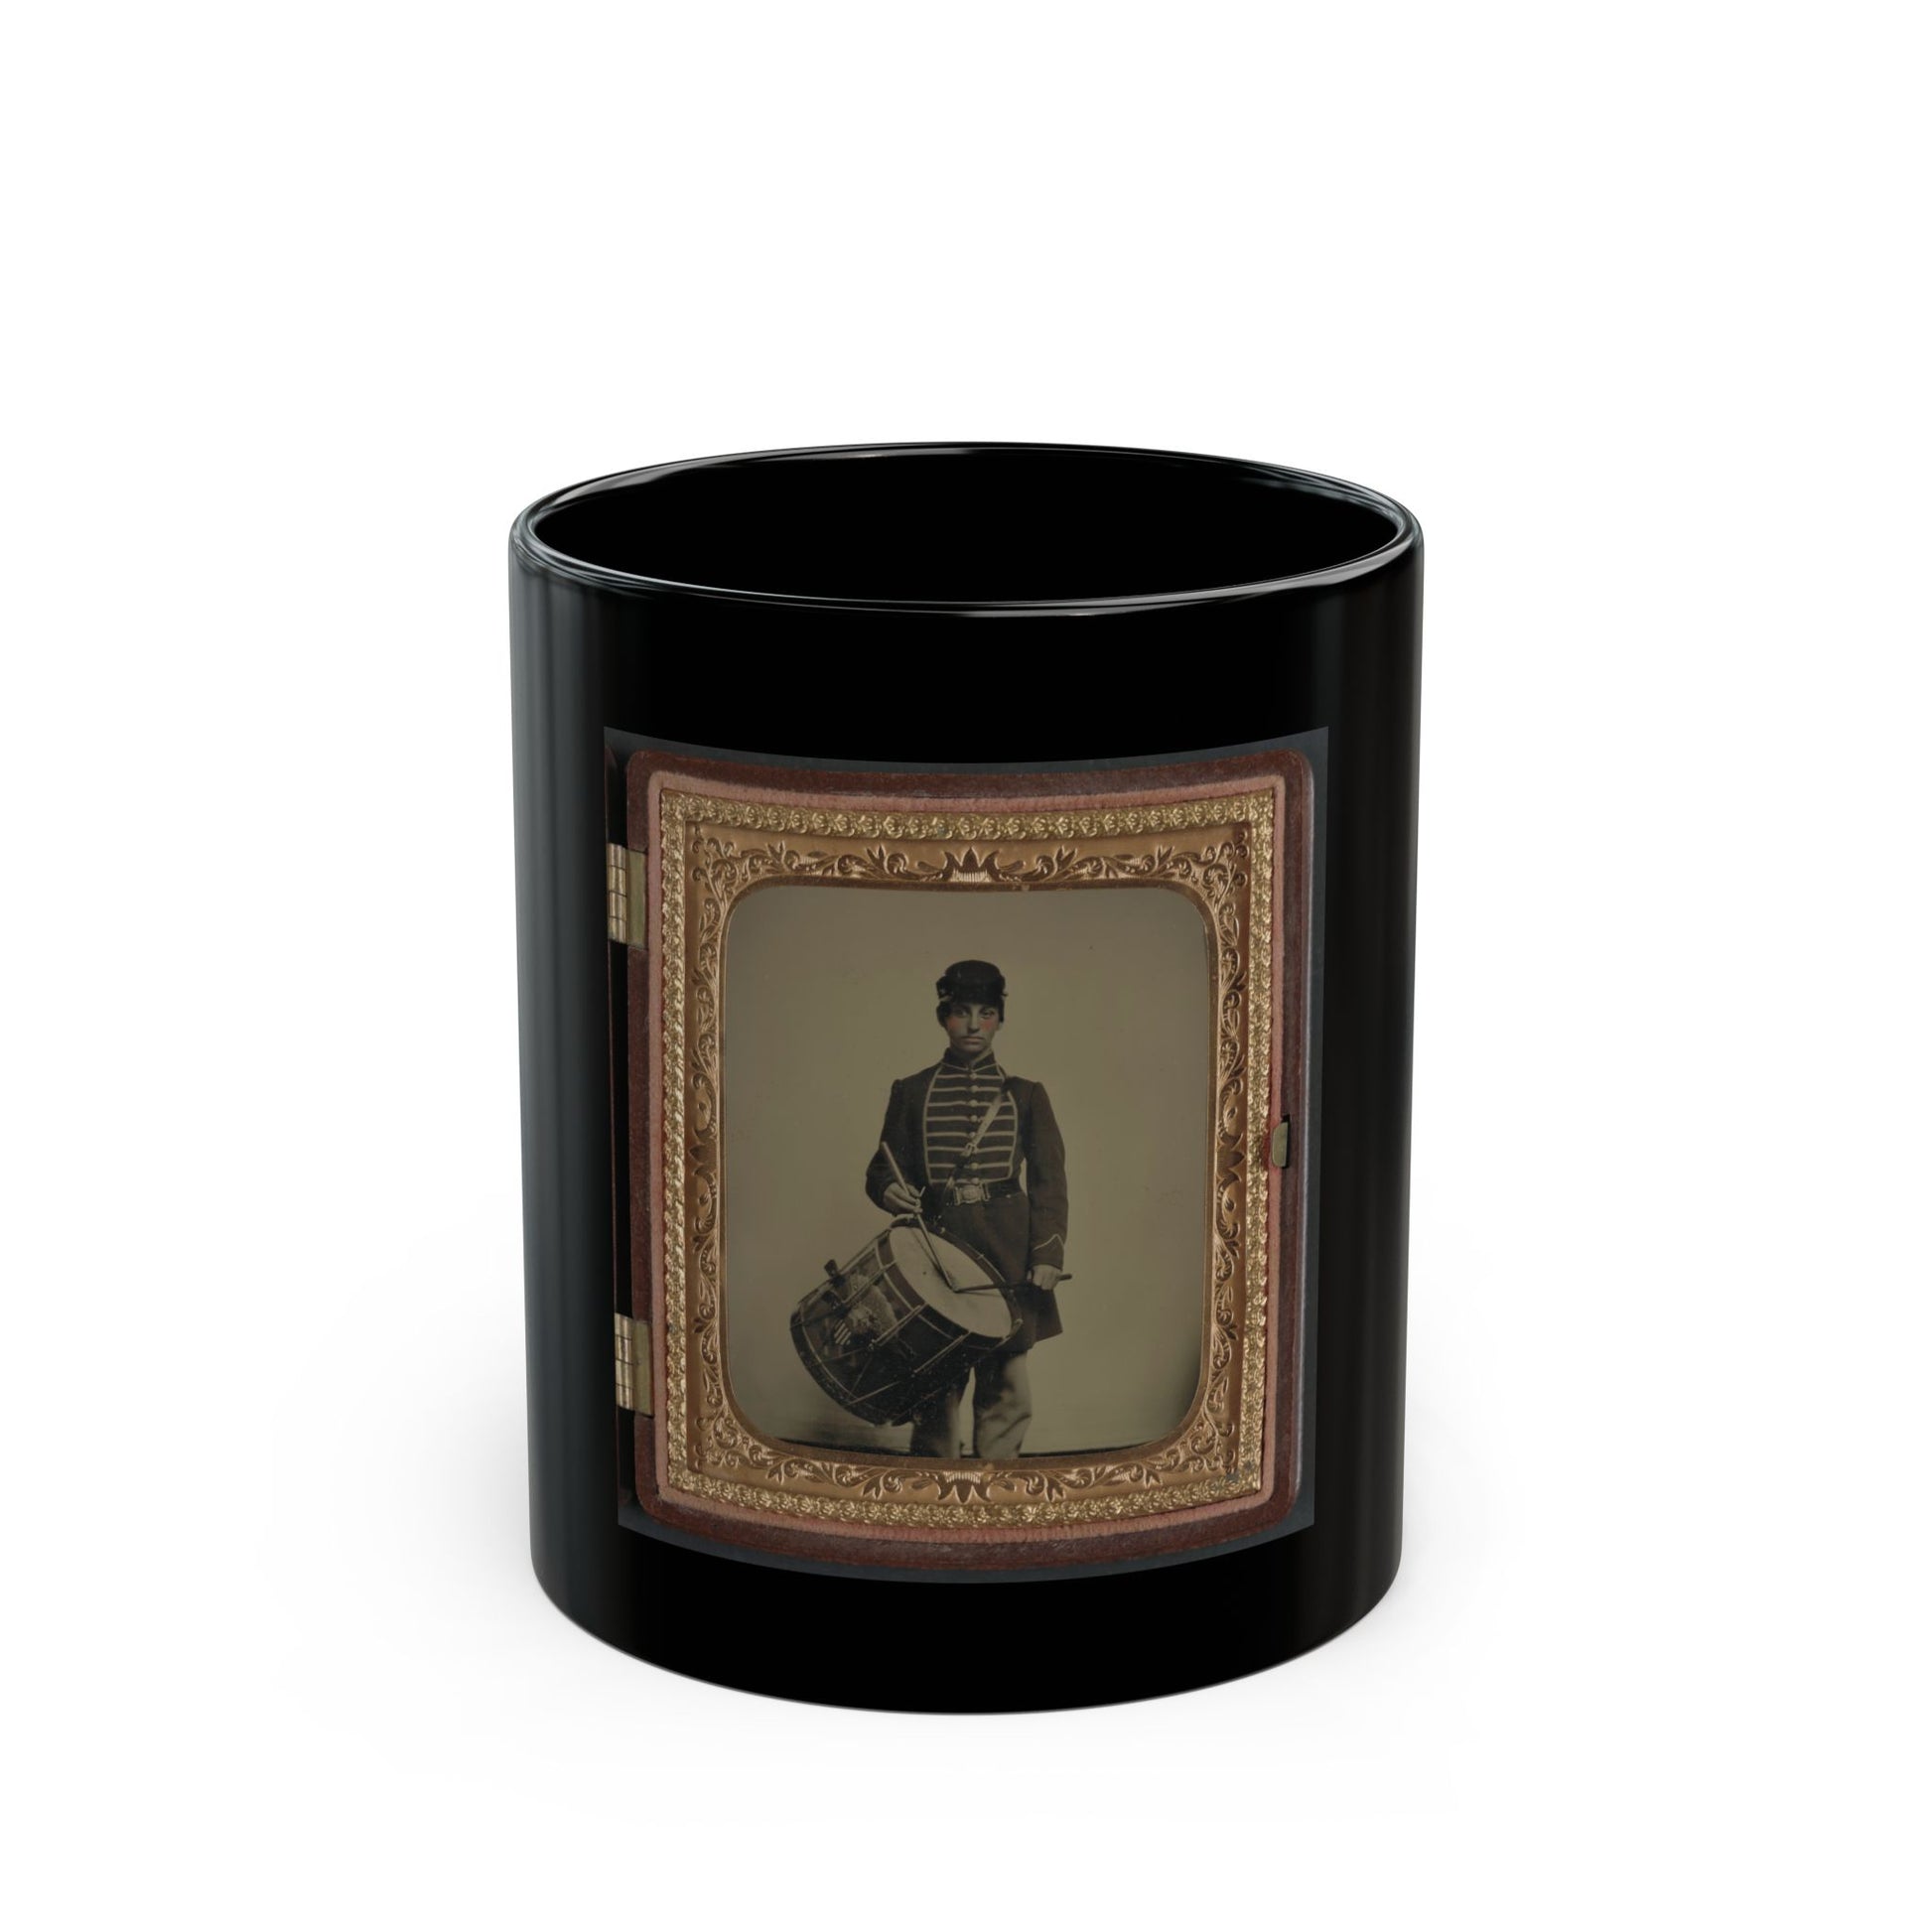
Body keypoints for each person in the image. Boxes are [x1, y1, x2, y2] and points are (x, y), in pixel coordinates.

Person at [863, 959, 1067, 1458]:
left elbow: (1049, 1182)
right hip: (938, 1244)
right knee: (935, 1373)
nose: (974, 1025)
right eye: (961, 1013)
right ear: (943, 1018)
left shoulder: (1026, 1095)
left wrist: (1047, 1254)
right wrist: (888, 1190)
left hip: (1008, 1245)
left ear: (1000, 1020)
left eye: (986, 1013)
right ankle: (935, 1482)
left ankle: (998, 1483)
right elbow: (882, 1169)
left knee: (1005, 1377)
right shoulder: (911, 1091)